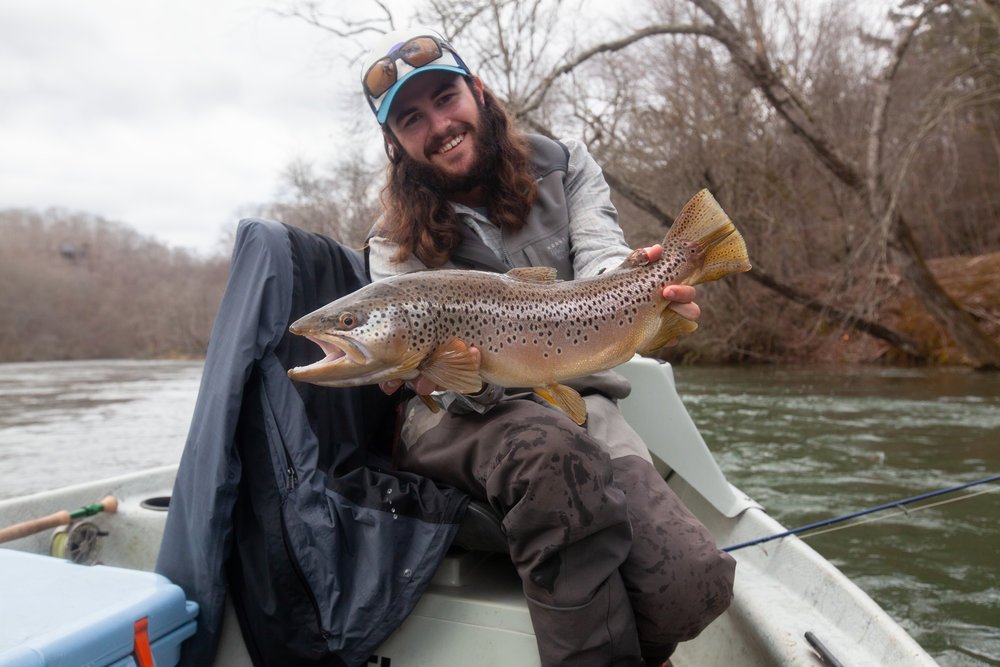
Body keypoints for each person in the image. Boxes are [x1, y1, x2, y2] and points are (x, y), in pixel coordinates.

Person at [361, 26, 736, 666]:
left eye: (445, 98)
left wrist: (648, 292)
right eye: (411, 119)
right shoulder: (392, 242)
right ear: (396, 144)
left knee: (690, 584)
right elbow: (417, 373)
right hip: (458, 414)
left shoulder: (565, 166)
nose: (438, 125)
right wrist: (415, 370)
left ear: (477, 91)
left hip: (581, 395)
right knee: (549, 454)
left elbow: (599, 259)